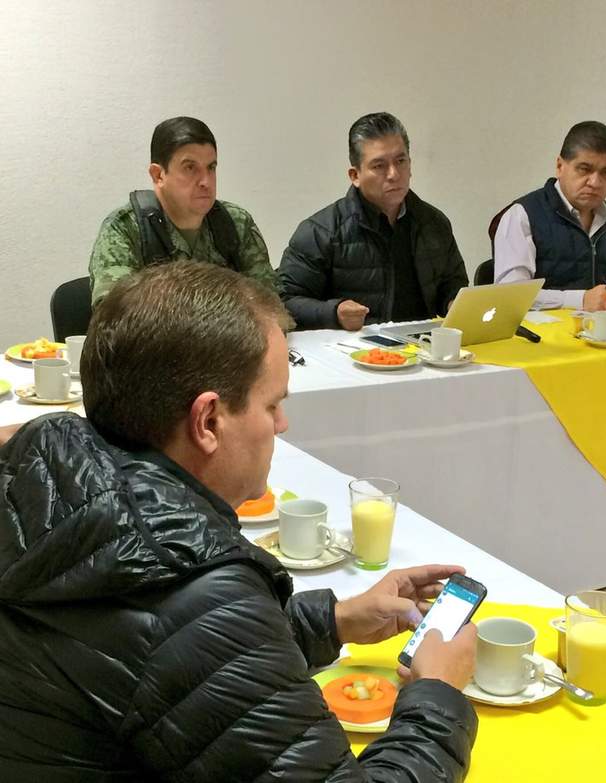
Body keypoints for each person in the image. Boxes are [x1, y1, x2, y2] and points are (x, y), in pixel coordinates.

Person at [0, 262, 478, 781]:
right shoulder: (185, 582)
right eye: (271, 405)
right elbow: (183, 634)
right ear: (208, 421)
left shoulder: (48, 486)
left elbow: (163, 659)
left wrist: (331, 621)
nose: (282, 424)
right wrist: (439, 694)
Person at [279, 113, 468, 330]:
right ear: (355, 176)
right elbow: (284, 302)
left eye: (401, 161)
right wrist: (334, 312)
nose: (393, 174)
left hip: (422, 342)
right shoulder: (320, 232)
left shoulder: (433, 223)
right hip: (353, 345)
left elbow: (453, 285)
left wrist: (454, 304)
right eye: (379, 166)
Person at [88, 117, 277, 305]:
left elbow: (269, 306)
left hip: (230, 326)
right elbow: (115, 314)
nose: (206, 181)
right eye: (190, 168)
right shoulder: (125, 229)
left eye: (211, 167)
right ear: (158, 175)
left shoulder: (236, 223)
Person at [493, 121, 606, 311]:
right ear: (559, 166)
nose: (595, 182)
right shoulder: (523, 215)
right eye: (584, 169)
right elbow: (510, 295)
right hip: (541, 329)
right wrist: (579, 300)